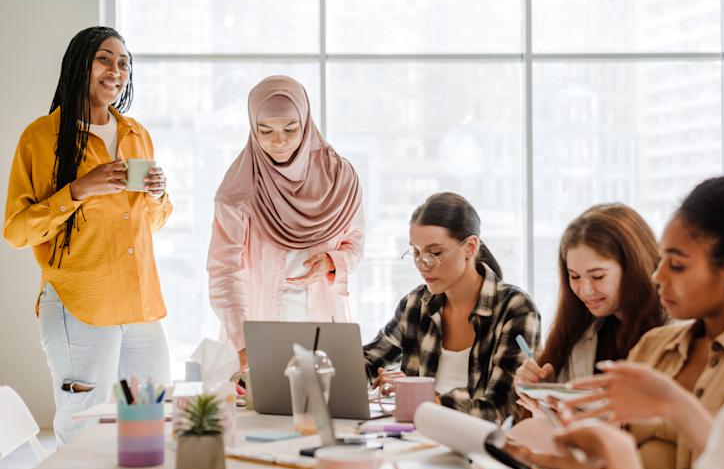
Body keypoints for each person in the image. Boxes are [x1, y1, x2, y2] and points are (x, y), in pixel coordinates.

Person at [511, 175, 724, 469]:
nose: (658, 276)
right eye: (660, 261)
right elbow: (620, 461)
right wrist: (562, 465)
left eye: (676, 264)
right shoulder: (655, 346)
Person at [3, 27, 172, 443]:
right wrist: (78, 190)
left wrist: (158, 194)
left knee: (150, 423)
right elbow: (16, 231)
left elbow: (150, 223)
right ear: (79, 64)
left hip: (140, 303)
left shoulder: (136, 134)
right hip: (80, 304)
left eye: (124, 63)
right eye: (105, 59)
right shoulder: (41, 137)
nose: (116, 71)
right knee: (85, 428)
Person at [208, 75, 363, 370]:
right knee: (263, 413)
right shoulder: (239, 188)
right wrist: (242, 340)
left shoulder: (339, 177)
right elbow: (223, 272)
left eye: (290, 129)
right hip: (261, 327)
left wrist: (331, 261)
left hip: (325, 324)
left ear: (305, 124)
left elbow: (355, 244)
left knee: (328, 411)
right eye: (265, 131)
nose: (278, 142)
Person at [363, 192, 540, 423]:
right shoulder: (416, 304)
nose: (422, 264)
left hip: (481, 450)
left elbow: (499, 408)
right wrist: (329, 372)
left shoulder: (515, 308)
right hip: (419, 441)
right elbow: (371, 359)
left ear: (470, 247)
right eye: (416, 252)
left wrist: (421, 397)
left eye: (435, 253)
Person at [514, 203, 665, 386]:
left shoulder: (674, 332)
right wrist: (548, 392)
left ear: (634, 268)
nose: (584, 290)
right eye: (574, 276)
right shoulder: (581, 330)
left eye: (598, 276)